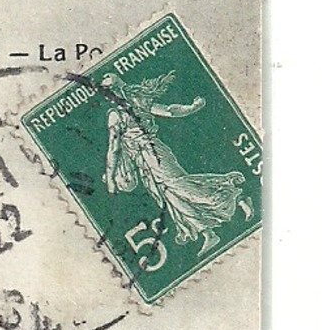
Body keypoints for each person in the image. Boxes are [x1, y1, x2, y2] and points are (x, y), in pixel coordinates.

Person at [101, 71, 251, 257]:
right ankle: (207, 233)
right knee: (170, 197)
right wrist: (192, 107)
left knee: (181, 187)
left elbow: (114, 149)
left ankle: (237, 197)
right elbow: (170, 110)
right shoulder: (136, 103)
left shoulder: (117, 114)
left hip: (153, 154)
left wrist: (110, 180)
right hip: (146, 163)